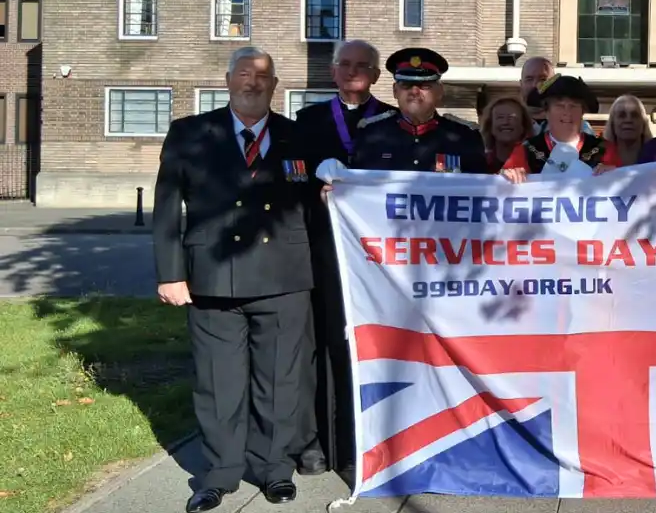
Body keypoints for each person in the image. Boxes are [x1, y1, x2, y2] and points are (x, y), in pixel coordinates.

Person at [153, 46, 314, 513]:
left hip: (284, 279)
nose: (253, 82)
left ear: (274, 86)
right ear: (227, 81)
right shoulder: (190, 133)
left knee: (280, 381)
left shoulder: (297, 136)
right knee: (217, 382)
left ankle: (273, 468)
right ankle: (220, 473)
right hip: (212, 279)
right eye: (244, 74)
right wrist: (170, 274)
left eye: (263, 76)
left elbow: (319, 205)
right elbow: (166, 209)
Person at [291, 39, 396, 480]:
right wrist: (310, 187)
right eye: (346, 64)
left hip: (378, 259)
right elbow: (291, 176)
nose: (354, 72)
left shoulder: (393, 121)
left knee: (371, 346)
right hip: (326, 249)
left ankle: (365, 442)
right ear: (333, 72)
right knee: (325, 343)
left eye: (363, 66)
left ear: (375, 75)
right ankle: (320, 442)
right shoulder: (308, 120)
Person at [339, 47, 490, 174]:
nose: (415, 91)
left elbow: (482, 192)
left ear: (440, 92)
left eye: (425, 85)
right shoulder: (371, 133)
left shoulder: (465, 136)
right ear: (395, 91)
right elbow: (356, 188)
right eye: (406, 85)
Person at [499, 74, 619, 181]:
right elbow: (501, 189)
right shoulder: (526, 150)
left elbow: (625, 190)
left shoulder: (604, 150)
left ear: (582, 112)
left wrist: (616, 175)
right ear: (546, 112)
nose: (567, 112)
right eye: (560, 106)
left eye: (573, 106)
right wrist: (508, 176)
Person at [518, 55, 594, 136]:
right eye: (529, 79)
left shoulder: (580, 128)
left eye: (543, 79)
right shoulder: (509, 124)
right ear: (521, 84)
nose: (535, 85)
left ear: (553, 83)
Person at [479, 96, 533, 174]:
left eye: (512, 117)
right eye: (500, 117)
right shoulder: (478, 163)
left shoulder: (537, 162)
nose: (506, 122)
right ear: (490, 125)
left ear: (523, 125)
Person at [603, 94, 653, 166]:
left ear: (644, 123)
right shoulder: (599, 159)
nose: (628, 120)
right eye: (621, 115)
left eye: (635, 115)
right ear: (612, 124)